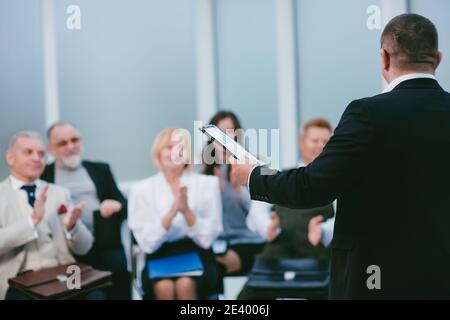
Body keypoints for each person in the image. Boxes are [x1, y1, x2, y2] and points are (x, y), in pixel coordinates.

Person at [231, 14, 450, 299]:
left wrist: (255, 174)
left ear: (384, 58)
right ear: (437, 58)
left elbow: (311, 185)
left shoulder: (368, 114)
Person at [239, 118, 335, 299]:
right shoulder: (278, 176)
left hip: (318, 263)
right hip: (275, 260)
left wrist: (322, 230)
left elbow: (343, 220)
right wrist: (269, 226)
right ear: (301, 142)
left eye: (326, 142)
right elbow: (256, 214)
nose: (320, 146)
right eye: (315, 141)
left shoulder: (335, 182)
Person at [128, 128, 222, 300]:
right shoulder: (141, 190)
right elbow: (147, 244)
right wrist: (170, 214)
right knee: (164, 286)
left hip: (197, 253)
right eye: (169, 147)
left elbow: (208, 238)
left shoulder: (208, 184)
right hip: (159, 255)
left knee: (185, 284)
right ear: (158, 152)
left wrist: (186, 212)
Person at [0, 131, 96, 300]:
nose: (36, 158)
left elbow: (85, 247)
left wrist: (72, 227)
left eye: (41, 154)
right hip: (18, 279)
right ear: (10, 158)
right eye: (28, 152)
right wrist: (32, 221)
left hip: (65, 273)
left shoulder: (60, 193)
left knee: (96, 295)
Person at [41, 122, 129, 300]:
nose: (71, 146)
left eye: (74, 140)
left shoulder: (101, 169)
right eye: (63, 143)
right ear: (50, 149)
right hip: (67, 250)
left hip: (105, 245)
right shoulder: (44, 176)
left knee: (118, 269)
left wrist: (117, 206)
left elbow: (125, 207)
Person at [202, 111, 265, 276]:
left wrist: (240, 191)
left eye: (230, 133)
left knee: (212, 265)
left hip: (247, 241)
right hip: (214, 243)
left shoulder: (250, 165)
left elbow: (259, 212)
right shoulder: (201, 170)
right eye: (220, 133)